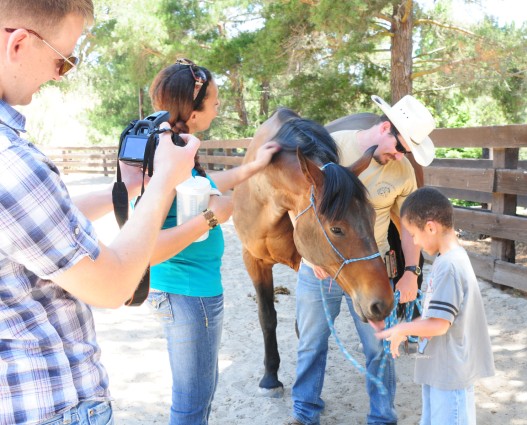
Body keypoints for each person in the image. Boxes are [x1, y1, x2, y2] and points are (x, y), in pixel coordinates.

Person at [0, 2, 200, 425]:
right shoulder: (10, 162)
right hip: (51, 409)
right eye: (65, 59)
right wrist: (164, 182)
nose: (60, 73)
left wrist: (128, 189)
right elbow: (113, 287)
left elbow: (41, 224)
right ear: (18, 43)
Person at [145, 59, 280, 425]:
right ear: (193, 106)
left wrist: (252, 167)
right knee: (191, 405)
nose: (219, 106)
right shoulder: (167, 153)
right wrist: (212, 217)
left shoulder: (174, 146)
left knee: (200, 397)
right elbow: (150, 245)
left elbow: (202, 185)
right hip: (187, 294)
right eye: (215, 99)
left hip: (192, 291)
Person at [287, 95, 436, 425]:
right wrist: (310, 255)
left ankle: (382, 418)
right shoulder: (330, 148)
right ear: (385, 127)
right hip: (322, 267)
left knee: (379, 345)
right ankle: (304, 412)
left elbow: (409, 228)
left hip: (372, 266)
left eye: (406, 153)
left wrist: (411, 272)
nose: (399, 156)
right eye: (399, 147)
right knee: (311, 342)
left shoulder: (402, 172)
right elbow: (295, 204)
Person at [375, 187, 495, 425]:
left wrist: (402, 329)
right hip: (440, 371)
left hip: (449, 376)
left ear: (430, 227)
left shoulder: (449, 266)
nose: (414, 242)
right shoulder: (447, 260)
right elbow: (434, 317)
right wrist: (407, 328)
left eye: (413, 235)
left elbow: (440, 324)